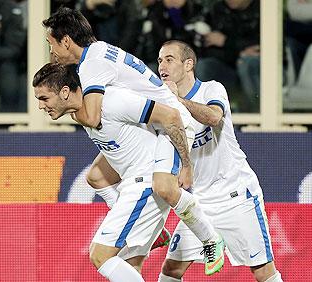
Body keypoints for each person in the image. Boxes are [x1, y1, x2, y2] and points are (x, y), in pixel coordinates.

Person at [42, 7, 225, 275]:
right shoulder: (99, 51)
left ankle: (210, 239)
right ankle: (156, 230)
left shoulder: (92, 63)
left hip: (171, 121)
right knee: (96, 177)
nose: (52, 52)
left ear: (66, 40)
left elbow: (92, 116)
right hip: (150, 122)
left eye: (51, 44)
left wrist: (186, 165)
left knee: (163, 185)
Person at [32, 62, 183, 281]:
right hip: (140, 185)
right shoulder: (80, 113)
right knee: (129, 265)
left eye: (44, 98)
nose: (40, 106)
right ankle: (155, 232)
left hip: (146, 182)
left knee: (100, 256)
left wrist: (183, 165)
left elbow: (170, 116)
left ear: (65, 91)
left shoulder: (110, 101)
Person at [156, 40, 283, 282]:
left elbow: (214, 117)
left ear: (188, 64)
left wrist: (179, 102)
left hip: (236, 196)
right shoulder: (163, 109)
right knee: (171, 270)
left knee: (263, 271)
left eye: (169, 59)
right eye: (160, 60)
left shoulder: (212, 89)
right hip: (201, 203)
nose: (162, 65)